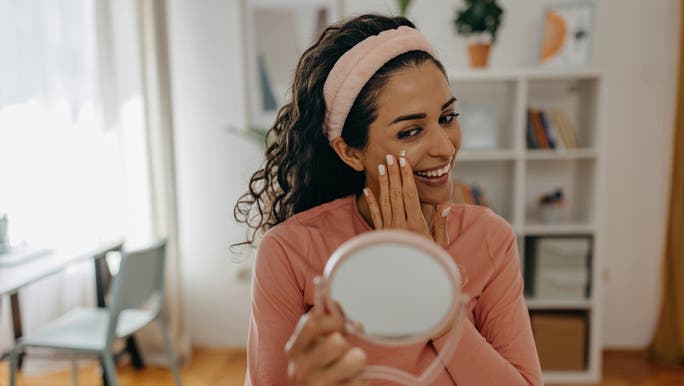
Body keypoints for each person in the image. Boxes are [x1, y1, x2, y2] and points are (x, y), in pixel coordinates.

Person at [234, 13, 543, 386]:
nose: (445, 147)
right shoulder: (287, 251)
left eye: (448, 117)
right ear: (350, 152)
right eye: (411, 131)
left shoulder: (490, 237)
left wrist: (437, 305)